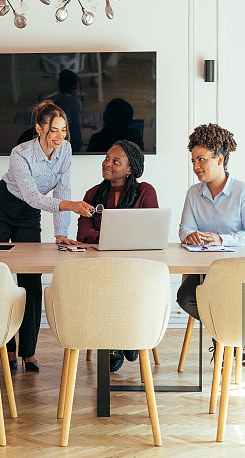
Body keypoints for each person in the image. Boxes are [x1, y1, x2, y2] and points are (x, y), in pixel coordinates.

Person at [0, 101, 93, 372]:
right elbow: (32, 196)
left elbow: (62, 190)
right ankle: (7, 347)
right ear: (39, 129)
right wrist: (69, 205)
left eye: (64, 130)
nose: (59, 136)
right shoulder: (20, 153)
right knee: (2, 275)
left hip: (28, 215)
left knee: (30, 278)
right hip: (0, 207)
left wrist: (60, 233)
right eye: (54, 130)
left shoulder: (65, 150)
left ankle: (28, 351)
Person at [176, 123, 245, 366]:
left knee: (219, 299)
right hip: (206, 270)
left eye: (201, 160)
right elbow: (184, 228)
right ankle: (228, 335)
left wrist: (222, 239)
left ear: (220, 159)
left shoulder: (244, 192)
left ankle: (235, 338)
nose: (196, 167)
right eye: (193, 160)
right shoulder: (194, 194)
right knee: (185, 298)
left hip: (240, 271)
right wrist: (190, 235)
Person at [76, 140, 158, 371]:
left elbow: (150, 231)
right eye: (106, 158)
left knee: (126, 282)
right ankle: (124, 338)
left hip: (135, 266)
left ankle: (123, 338)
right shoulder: (92, 194)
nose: (107, 164)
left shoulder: (145, 191)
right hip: (101, 265)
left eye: (115, 161)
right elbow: (83, 233)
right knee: (109, 283)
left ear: (130, 168)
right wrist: (120, 235)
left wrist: (102, 235)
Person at [50, 69, 83, 152]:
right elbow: (75, 130)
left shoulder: (50, 101)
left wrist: (85, 125)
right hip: (65, 146)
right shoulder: (74, 102)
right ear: (76, 87)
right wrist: (77, 149)